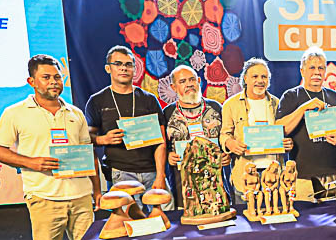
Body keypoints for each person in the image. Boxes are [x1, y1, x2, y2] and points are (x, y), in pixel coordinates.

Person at [0, 54, 101, 240]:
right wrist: (31, 162)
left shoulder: (75, 114)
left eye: (57, 76)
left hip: (80, 195)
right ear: (32, 81)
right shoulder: (16, 113)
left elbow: (88, 154)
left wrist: (97, 190)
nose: (53, 82)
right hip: (43, 196)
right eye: (46, 77)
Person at [85, 45, 170, 211]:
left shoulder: (149, 99)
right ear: (108, 68)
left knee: (165, 218)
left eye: (128, 64)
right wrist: (103, 139)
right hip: (120, 173)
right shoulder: (97, 101)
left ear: (134, 69)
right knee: (130, 221)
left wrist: (161, 174)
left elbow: (160, 141)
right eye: (118, 64)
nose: (124, 68)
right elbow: (86, 138)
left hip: (152, 171)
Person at [276, 47, 336, 199]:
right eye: (312, 68)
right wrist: (303, 108)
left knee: (333, 213)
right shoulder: (291, 96)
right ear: (302, 71)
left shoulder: (333, 96)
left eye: (321, 68)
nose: (317, 72)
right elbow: (280, 129)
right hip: (302, 176)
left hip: (332, 174)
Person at [221, 58, 294, 201]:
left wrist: (287, 143)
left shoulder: (277, 103)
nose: (260, 81)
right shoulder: (231, 105)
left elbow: (284, 132)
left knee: (275, 211)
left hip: (274, 174)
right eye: (255, 76)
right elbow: (224, 134)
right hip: (245, 175)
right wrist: (230, 143)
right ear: (245, 79)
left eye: (264, 77)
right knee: (247, 214)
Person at [163, 65, 227, 207]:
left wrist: (226, 154)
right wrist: (168, 155)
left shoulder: (216, 108)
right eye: (182, 81)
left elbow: (227, 137)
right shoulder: (167, 113)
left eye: (192, 79)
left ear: (198, 81)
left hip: (215, 178)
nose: (189, 84)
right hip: (182, 180)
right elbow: (162, 145)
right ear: (174, 87)